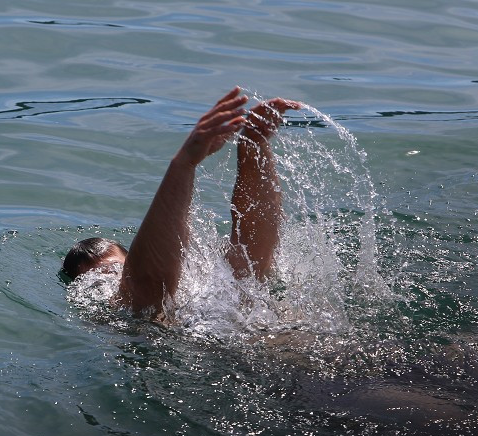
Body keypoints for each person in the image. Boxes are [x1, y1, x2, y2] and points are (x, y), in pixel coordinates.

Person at [61, 87, 301, 319]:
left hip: (305, 345)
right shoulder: (116, 308)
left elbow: (255, 248)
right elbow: (147, 285)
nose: (108, 280)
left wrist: (254, 146)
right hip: (266, 356)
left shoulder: (200, 290)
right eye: (94, 280)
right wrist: (184, 163)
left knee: (246, 267)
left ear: (130, 262)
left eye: (113, 270)